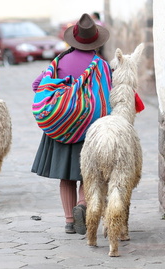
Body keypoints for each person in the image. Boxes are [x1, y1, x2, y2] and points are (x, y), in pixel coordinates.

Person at [31, 13, 112, 235]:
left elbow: (37, 85)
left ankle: (69, 221)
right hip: (90, 129)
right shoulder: (101, 66)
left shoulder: (59, 61)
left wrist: (64, 94)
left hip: (61, 127)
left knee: (66, 176)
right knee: (88, 173)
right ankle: (83, 206)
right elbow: (108, 95)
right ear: (95, 41)